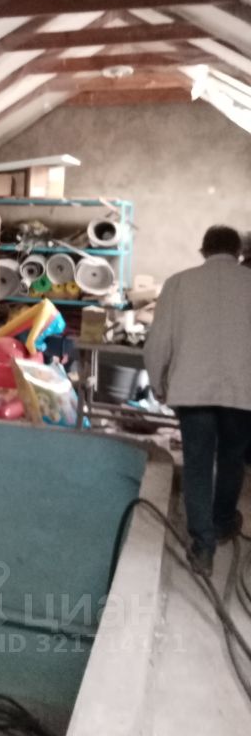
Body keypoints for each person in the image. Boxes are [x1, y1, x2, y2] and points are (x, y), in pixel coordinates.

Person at [145, 225, 251, 575]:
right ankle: (222, 522)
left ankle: (203, 547)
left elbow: (159, 342)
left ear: (203, 250)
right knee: (233, 458)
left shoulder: (178, 283)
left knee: (198, 464)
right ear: (238, 252)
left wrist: (158, 383)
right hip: (243, 391)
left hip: (192, 391)